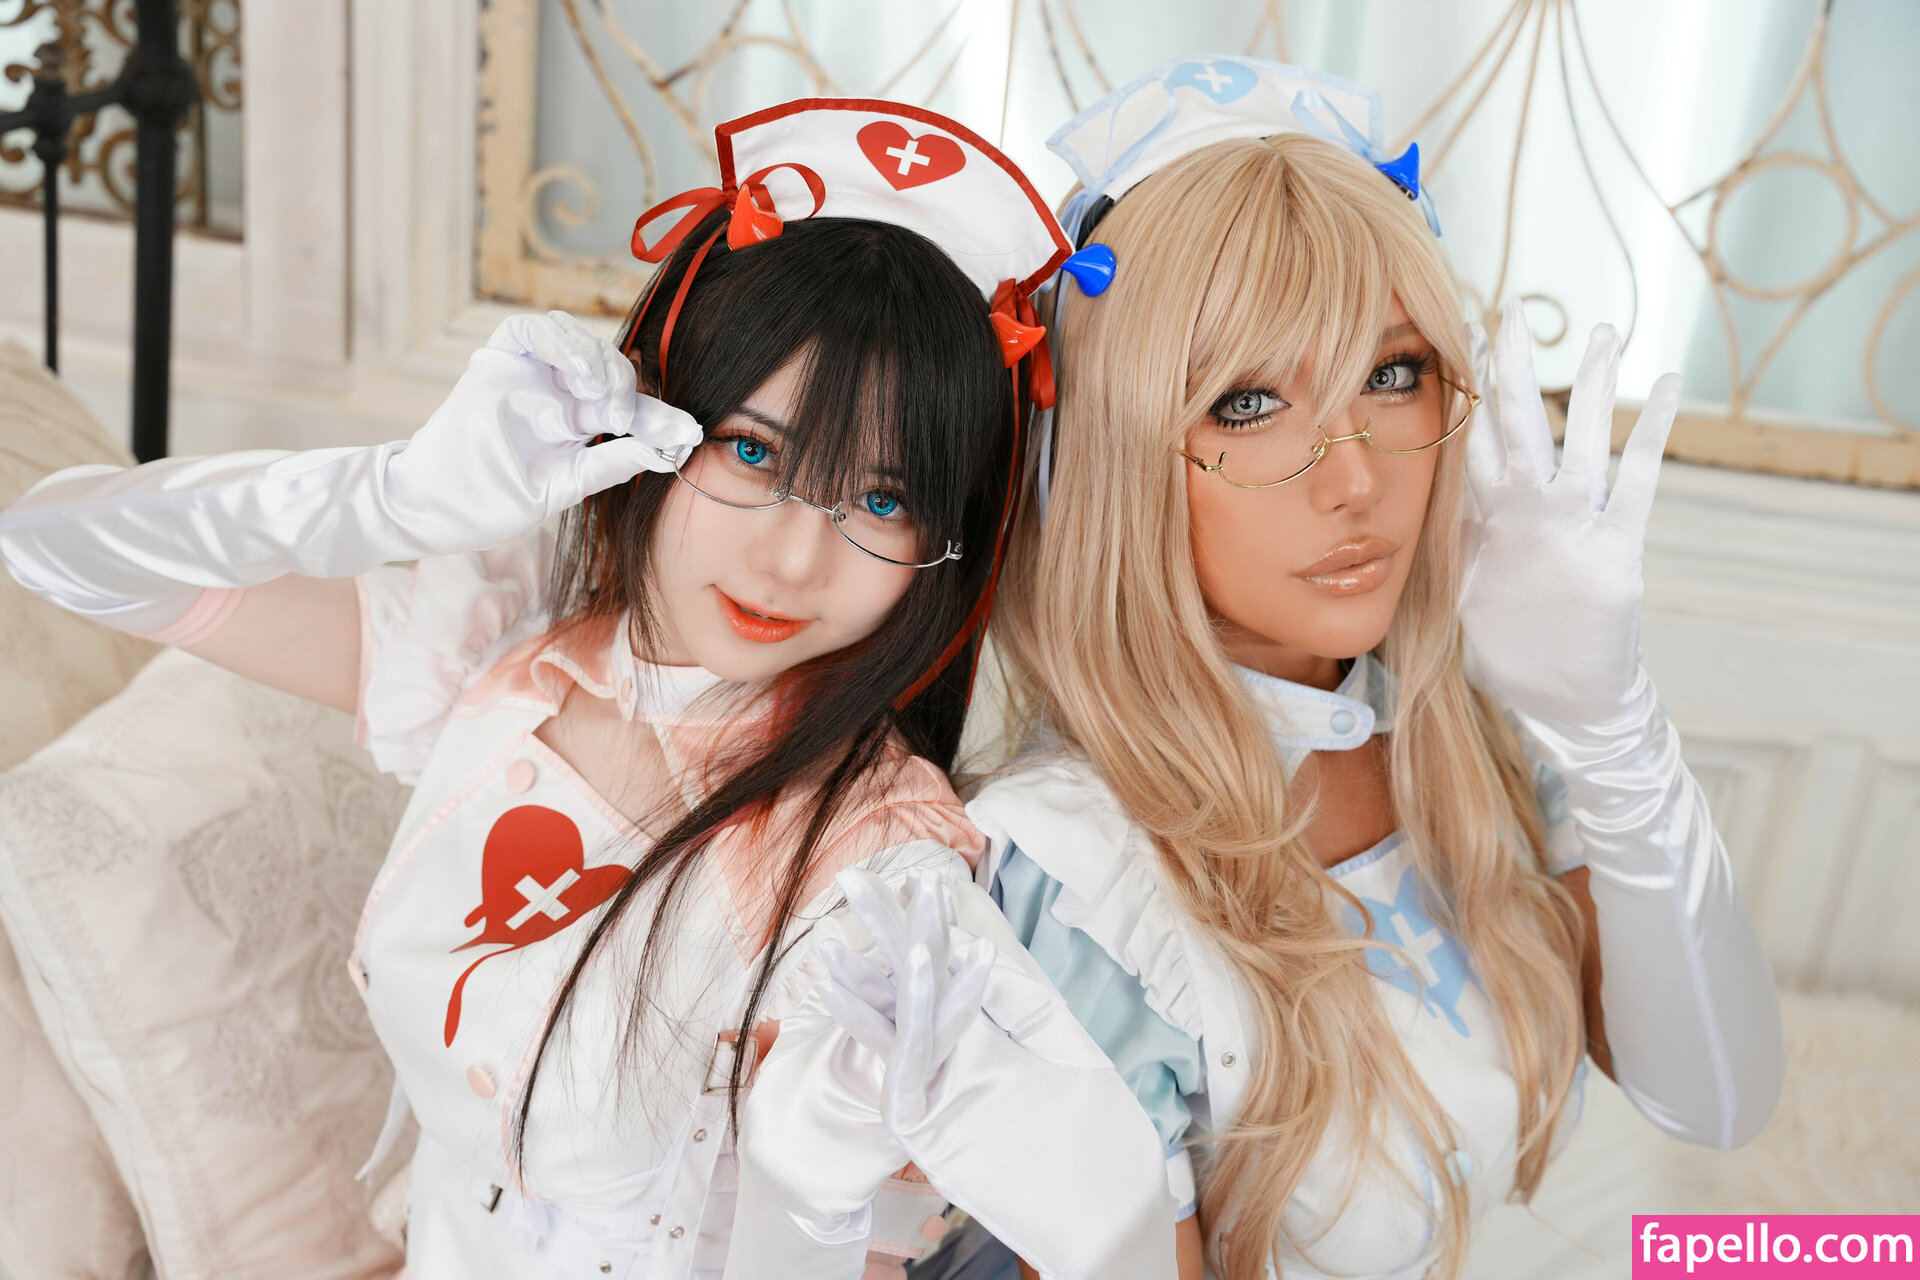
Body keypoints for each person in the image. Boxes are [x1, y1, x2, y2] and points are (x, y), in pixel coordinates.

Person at [0, 100, 1176, 1280]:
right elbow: (58, 547)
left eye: (880, 500)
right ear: (657, 417)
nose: (789, 558)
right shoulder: (502, 655)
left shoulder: (873, 872)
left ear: (946, 545)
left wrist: (814, 1192)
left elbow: (1111, 1223)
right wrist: (397, 494)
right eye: (753, 451)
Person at [941, 58, 1785, 1280]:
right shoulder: (1070, 877)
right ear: (1118, 453)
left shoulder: (1478, 733)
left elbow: (1718, 1102)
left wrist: (1612, 724)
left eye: (1392, 375)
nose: (1353, 477)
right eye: (1247, 402)